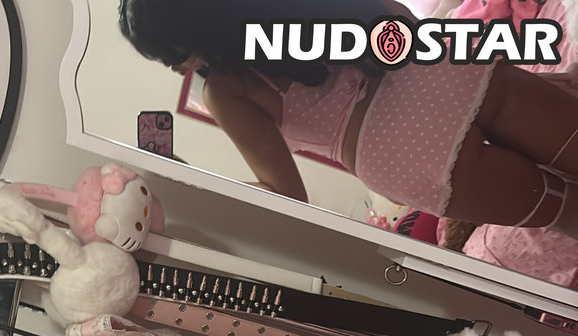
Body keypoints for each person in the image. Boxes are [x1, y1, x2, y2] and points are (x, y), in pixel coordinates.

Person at [119, 0, 578, 237]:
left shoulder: (225, 89)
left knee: (569, 213)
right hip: (437, 73)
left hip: (397, 154)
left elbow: (286, 193)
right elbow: (396, 18)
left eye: (169, 56)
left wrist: (196, 182)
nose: (174, 68)